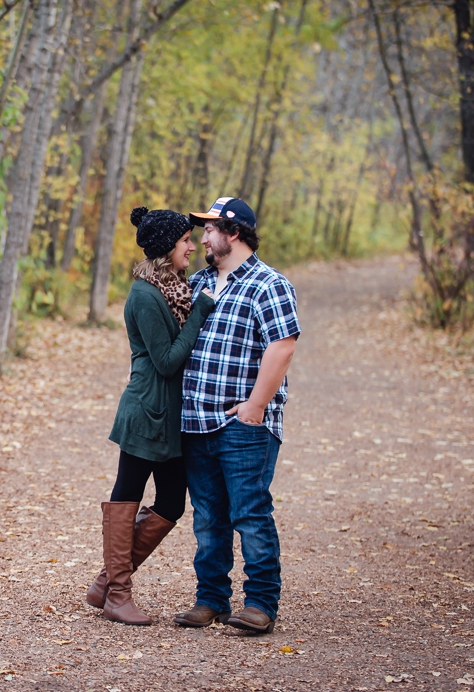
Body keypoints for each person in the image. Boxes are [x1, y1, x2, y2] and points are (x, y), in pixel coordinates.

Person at [173, 197, 300, 635]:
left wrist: (256, 406)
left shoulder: (269, 284)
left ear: (234, 232)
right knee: (208, 517)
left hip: (242, 424)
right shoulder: (199, 282)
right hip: (196, 420)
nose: (202, 237)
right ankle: (211, 599)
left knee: (250, 513)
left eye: (210, 229)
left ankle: (261, 603)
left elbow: (282, 345)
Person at [87, 207, 215, 626]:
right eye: (185, 242)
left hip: (170, 416)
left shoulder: (173, 287)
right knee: (127, 493)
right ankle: (118, 594)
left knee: (172, 502)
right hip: (147, 410)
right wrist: (200, 314)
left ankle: (107, 580)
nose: (192, 247)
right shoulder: (145, 295)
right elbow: (165, 361)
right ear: (166, 248)